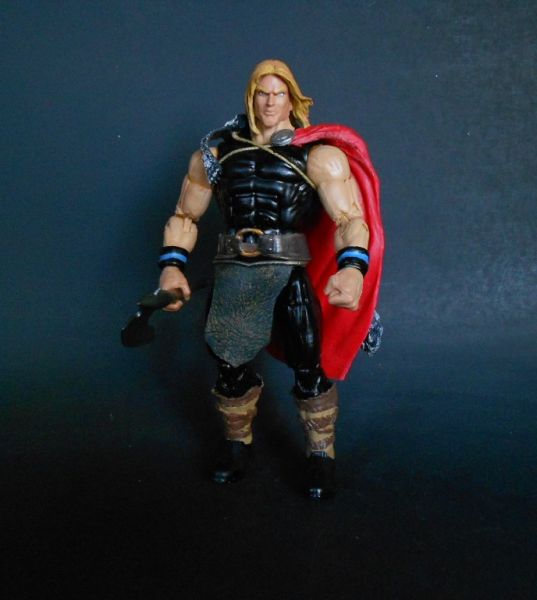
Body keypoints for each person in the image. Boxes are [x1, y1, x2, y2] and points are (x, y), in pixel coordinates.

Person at [157, 59, 383, 499]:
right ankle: (237, 445)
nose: (270, 102)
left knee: (308, 366)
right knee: (229, 366)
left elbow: (350, 219)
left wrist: (352, 269)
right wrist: (172, 266)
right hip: (234, 274)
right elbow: (185, 215)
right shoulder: (216, 154)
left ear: (293, 99)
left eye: (279, 93)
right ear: (251, 96)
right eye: (263, 92)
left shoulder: (317, 155)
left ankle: (321, 454)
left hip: (288, 274)